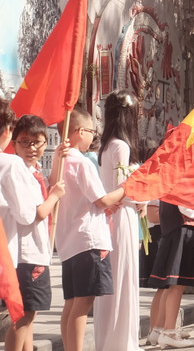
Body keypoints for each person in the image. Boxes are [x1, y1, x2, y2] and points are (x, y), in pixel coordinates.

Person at [48, 109, 127, 351]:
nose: (93, 137)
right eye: (92, 131)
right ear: (80, 131)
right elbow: (101, 199)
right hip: (89, 240)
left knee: (72, 303)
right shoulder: (80, 161)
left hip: (69, 242)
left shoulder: (59, 161)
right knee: (83, 304)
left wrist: (106, 203)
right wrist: (126, 188)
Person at [4, 115, 65, 351]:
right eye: (24, 142)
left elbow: (49, 186)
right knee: (24, 316)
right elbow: (35, 213)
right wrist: (55, 196)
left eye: (37, 142)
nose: (31, 148)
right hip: (27, 253)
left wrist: (58, 156)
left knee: (30, 316)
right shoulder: (18, 170)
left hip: (36, 251)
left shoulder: (33, 170)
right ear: (14, 142)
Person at [94, 90, 143, 351]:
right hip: (121, 214)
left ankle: (110, 340)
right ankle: (123, 342)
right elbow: (123, 188)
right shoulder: (122, 147)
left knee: (114, 279)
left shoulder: (107, 145)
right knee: (123, 277)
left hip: (113, 215)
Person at [147, 200, 194, 348]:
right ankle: (169, 332)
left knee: (171, 286)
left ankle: (159, 329)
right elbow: (188, 208)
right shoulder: (180, 179)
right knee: (177, 284)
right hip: (182, 229)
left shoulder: (172, 178)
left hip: (175, 230)